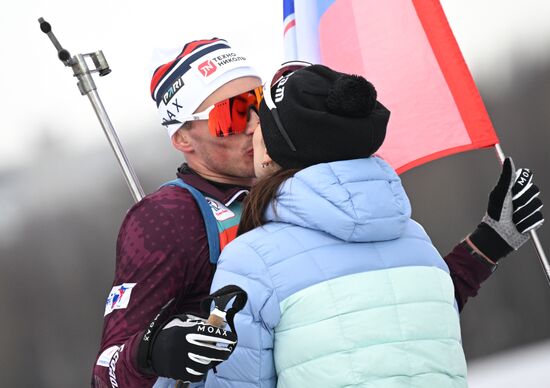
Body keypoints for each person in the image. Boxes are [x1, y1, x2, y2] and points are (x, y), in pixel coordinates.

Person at [91, 40, 543, 387]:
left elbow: (391, 312)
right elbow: (105, 373)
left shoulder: (301, 189)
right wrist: (154, 350)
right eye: (231, 115)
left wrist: (486, 245)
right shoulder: (168, 218)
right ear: (185, 139)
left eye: (258, 102)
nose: (253, 124)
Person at [204, 63, 544, 387]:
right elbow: (397, 337)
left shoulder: (251, 261)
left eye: (260, 121)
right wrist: (488, 243)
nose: (249, 130)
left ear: (269, 152)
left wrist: (158, 356)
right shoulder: (415, 239)